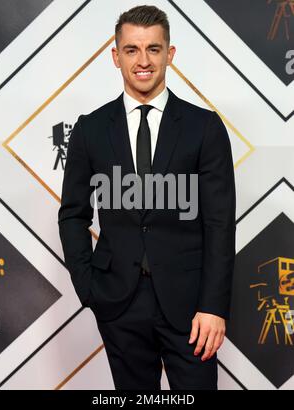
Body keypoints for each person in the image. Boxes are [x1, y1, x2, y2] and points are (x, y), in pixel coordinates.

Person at [58, 5, 236, 390]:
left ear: (169, 55)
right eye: (132, 50)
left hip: (191, 308)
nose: (143, 61)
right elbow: (73, 214)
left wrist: (213, 307)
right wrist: (89, 286)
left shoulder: (203, 127)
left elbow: (219, 223)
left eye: (153, 49)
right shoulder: (90, 130)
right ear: (115, 55)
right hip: (118, 301)